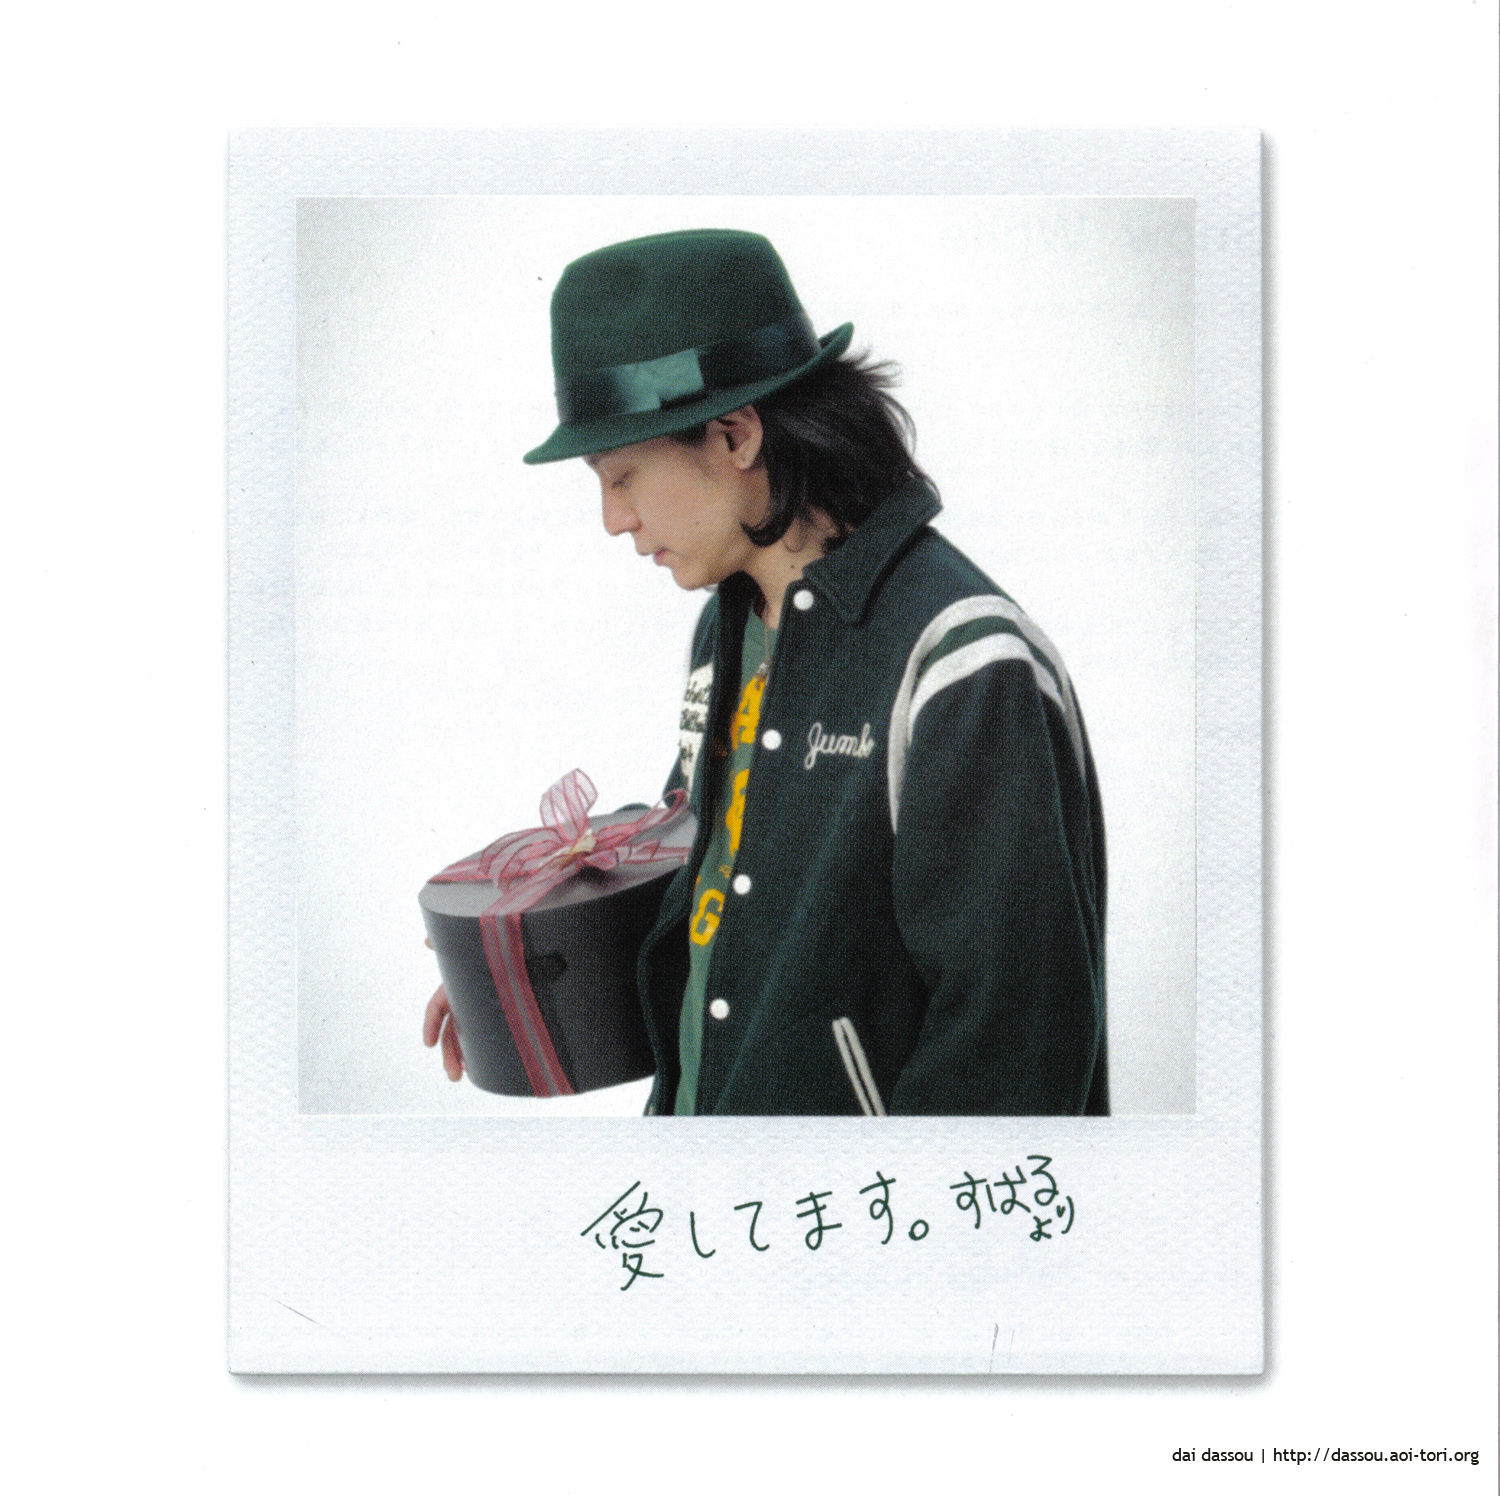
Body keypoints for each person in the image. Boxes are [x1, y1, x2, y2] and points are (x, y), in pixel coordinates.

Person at [426, 227, 1107, 1116]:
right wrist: (509, 983)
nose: (612, 519)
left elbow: (1015, 1047)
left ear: (736, 434)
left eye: (622, 476)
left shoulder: (963, 666)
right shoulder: (730, 625)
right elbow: (716, 888)